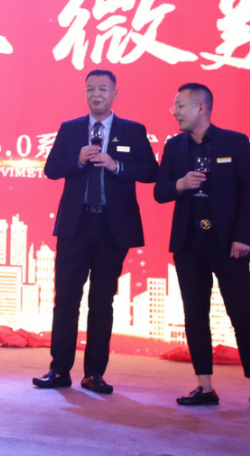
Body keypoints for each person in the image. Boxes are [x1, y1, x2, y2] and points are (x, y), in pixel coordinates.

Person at [155, 83, 250, 414]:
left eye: (180, 106)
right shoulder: (174, 146)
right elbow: (160, 191)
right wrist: (180, 184)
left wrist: (244, 237)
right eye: (174, 106)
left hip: (228, 245)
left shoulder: (235, 142)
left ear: (201, 107)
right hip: (188, 244)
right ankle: (204, 386)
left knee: (242, 315)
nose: (175, 112)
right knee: (195, 316)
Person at [34, 69, 158, 394]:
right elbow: (51, 169)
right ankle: (59, 370)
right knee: (66, 301)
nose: (96, 94)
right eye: (90, 89)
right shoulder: (70, 129)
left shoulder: (132, 130)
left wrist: (118, 166)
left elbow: (151, 171)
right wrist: (77, 160)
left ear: (115, 93)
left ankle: (94, 374)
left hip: (111, 228)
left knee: (102, 303)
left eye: (103, 89)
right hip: (75, 227)